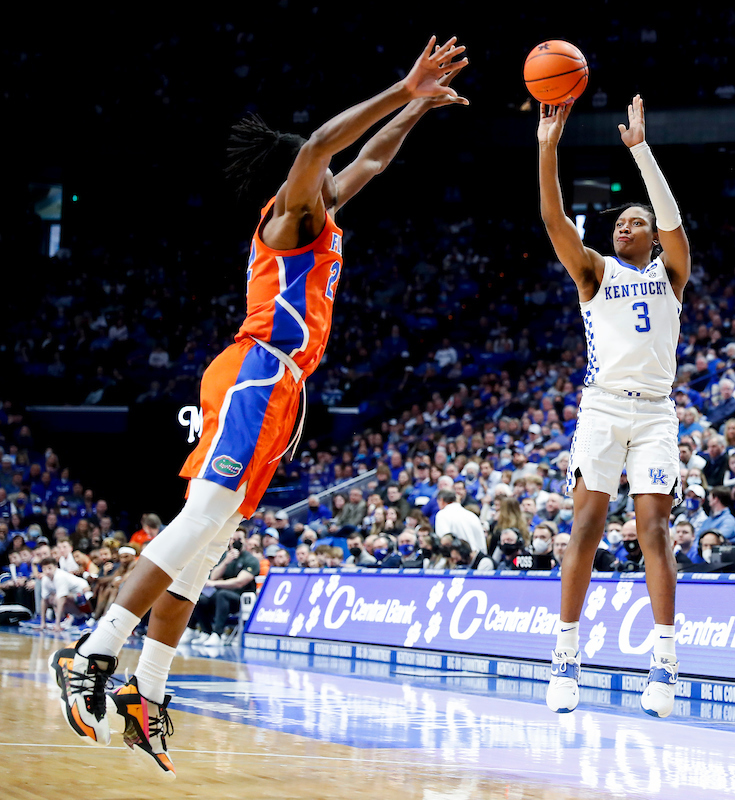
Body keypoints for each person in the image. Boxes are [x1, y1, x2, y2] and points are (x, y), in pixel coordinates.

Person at [49, 37, 470, 775]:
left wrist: (419, 111)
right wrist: (402, 89)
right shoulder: (289, 216)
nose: (335, 169)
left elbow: (370, 159)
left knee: (207, 549)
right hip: (254, 373)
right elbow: (320, 144)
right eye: (321, 168)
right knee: (199, 521)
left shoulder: (323, 211)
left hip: (284, 388)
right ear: (298, 176)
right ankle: (91, 654)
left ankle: (146, 692)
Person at [538, 94, 690, 718]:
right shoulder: (595, 272)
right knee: (586, 527)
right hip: (602, 407)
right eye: (618, 224)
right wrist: (547, 148)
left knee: (654, 529)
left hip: (655, 412)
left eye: (634, 223)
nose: (622, 228)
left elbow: (673, 220)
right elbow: (553, 220)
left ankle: (665, 662)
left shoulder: (671, 273)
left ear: (651, 235)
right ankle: (565, 656)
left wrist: (641, 152)